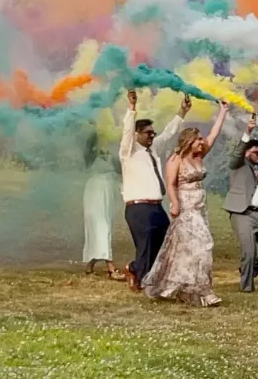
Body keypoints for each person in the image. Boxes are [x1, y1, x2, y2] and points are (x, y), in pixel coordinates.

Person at [142, 101, 231, 307]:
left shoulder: (200, 155)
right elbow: (171, 184)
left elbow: (213, 136)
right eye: (198, 139)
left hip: (200, 207)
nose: (202, 142)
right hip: (186, 207)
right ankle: (205, 291)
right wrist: (174, 204)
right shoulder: (175, 160)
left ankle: (184, 289)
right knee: (204, 244)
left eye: (201, 139)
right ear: (189, 141)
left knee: (187, 250)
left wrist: (223, 112)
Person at [119, 89, 193, 292]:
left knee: (163, 242)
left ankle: (137, 270)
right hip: (138, 207)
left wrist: (182, 112)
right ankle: (143, 280)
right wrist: (131, 109)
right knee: (146, 244)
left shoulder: (153, 151)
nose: (152, 136)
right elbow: (127, 133)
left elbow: (169, 133)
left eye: (153, 133)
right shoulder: (129, 151)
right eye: (148, 133)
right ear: (137, 135)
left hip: (156, 206)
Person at [224, 114, 258, 293]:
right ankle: (246, 286)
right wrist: (248, 130)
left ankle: (247, 272)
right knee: (249, 251)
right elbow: (237, 152)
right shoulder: (238, 165)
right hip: (243, 214)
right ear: (247, 152)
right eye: (257, 152)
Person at [82, 127, 125, 280]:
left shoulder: (111, 154)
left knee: (106, 225)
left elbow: (120, 170)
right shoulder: (91, 154)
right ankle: (110, 267)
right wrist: (94, 130)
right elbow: (88, 152)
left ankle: (90, 263)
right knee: (100, 225)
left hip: (109, 189)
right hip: (96, 190)